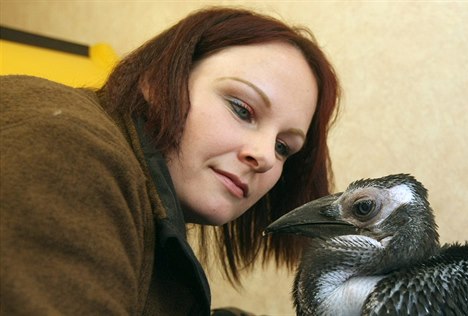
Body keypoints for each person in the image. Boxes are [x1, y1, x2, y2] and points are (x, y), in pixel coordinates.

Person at [0, 7, 340, 315]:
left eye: (283, 147)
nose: (265, 157)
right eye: (241, 109)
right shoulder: (70, 146)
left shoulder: (143, 202)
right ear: (157, 81)